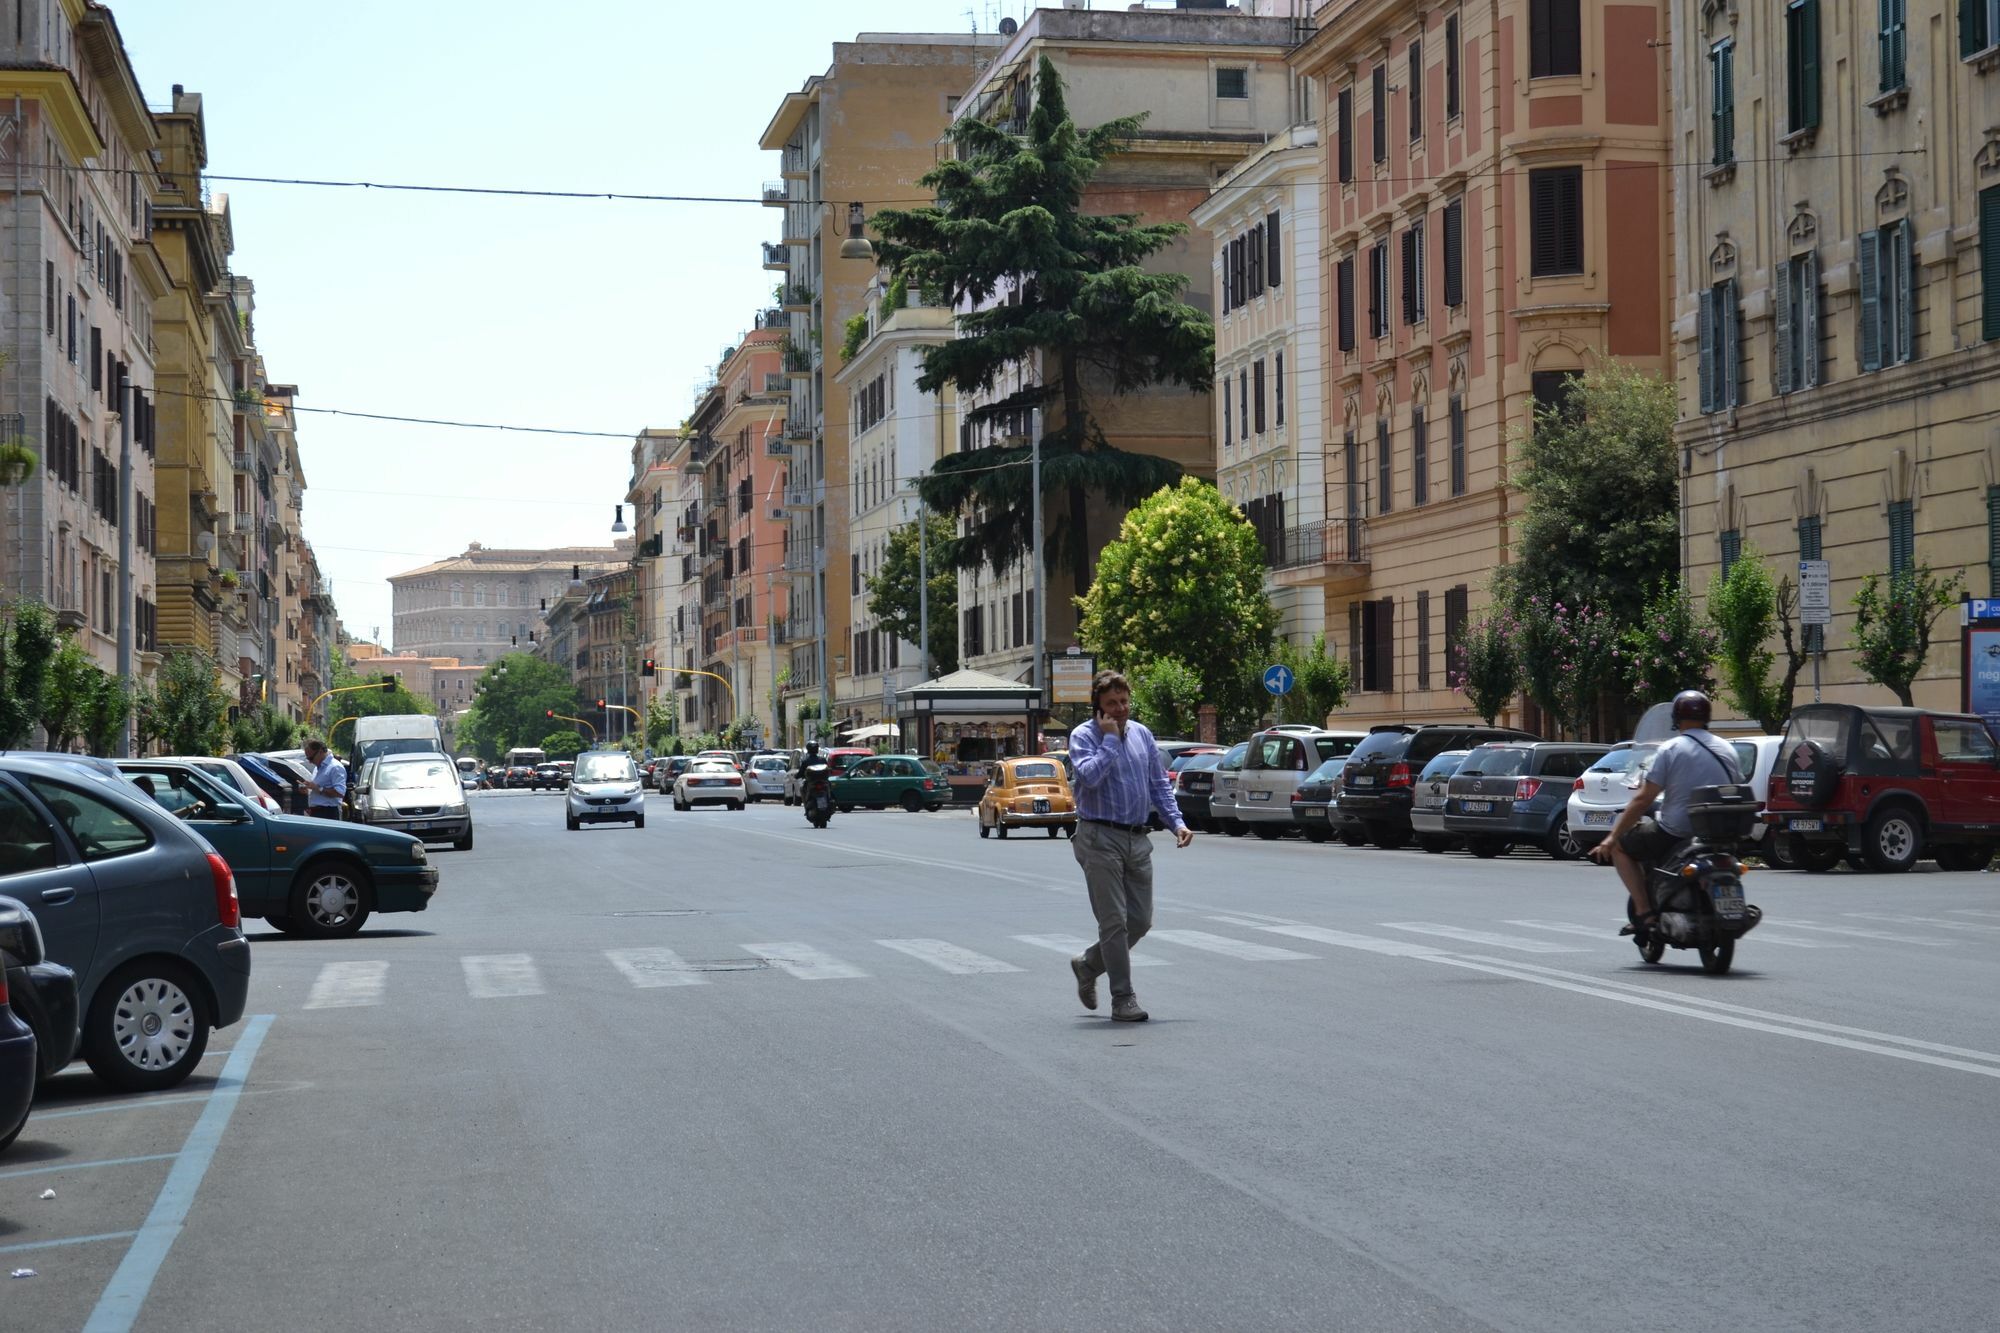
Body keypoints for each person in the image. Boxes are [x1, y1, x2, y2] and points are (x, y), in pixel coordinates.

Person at [1064, 669, 1194, 1023]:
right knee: (1114, 923)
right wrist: (1109, 740)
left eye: (1124, 701)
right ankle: (1123, 999)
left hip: (1138, 838)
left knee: (1139, 920)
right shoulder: (1083, 736)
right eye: (1112, 703)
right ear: (1098, 707)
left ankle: (1089, 964)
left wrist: (1176, 823)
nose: (1120, 709)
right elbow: (1088, 777)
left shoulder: (1142, 735)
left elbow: (1158, 785)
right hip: (1098, 837)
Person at [1590, 690, 1743, 941]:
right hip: (1721, 832)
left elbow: (1644, 798)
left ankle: (1644, 913)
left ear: (1676, 718)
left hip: (1678, 831)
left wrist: (1611, 836)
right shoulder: (1727, 748)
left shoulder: (1671, 749)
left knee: (1621, 847)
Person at [302, 738, 348, 820]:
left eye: (311, 758)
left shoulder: (335, 767)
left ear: (320, 752)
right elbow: (318, 790)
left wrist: (317, 788)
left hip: (328, 813)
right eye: (308, 758)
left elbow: (340, 793)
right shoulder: (317, 768)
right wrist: (308, 791)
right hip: (316, 812)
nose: (310, 762)